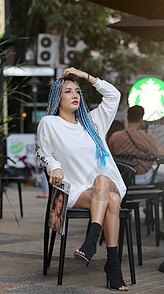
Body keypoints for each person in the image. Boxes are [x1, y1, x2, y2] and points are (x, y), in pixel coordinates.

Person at [36, 67, 128, 291]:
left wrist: (84, 76)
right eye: (68, 92)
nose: (75, 95)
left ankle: (91, 240)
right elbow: (43, 154)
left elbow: (114, 95)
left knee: (102, 181)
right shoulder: (49, 123)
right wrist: (55, 167)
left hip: (107, 182)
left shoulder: (93, 122)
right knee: (112, 202)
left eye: (77, 91)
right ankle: (113, 265)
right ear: (58, 97)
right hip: (75, 190)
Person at [108, 105, 164, 218]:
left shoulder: (115, 136)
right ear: (141, 120)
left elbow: (110, 157)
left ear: (127, 118)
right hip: (144, 177)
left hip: (123, 179)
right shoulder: (146, 137)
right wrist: (152, 138)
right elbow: (160, 155)